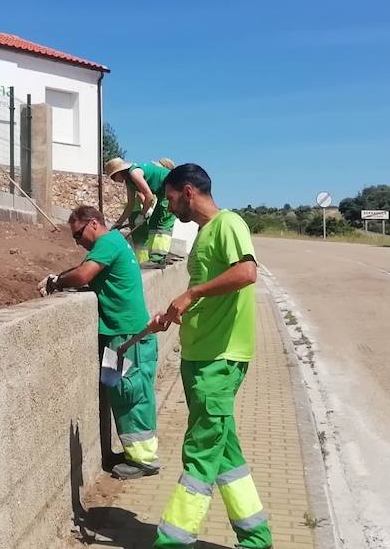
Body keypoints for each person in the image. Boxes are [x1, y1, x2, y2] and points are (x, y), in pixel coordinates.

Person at [147, 163, 272, 548]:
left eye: (169, 199)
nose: (168, 207)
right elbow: (207, 290)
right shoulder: (204, 234)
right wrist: (174, 312)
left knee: (200, 452)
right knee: (224, 451)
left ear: (187, 192)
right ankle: (255, 538)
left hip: (219, 360)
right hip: (201, 358)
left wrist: (192, 294)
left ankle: (173, 541)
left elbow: (247, 272)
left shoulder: (228, 224)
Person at [39, 205, 160, 479]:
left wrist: (57, 282)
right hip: (118, 333)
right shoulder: (112, 244)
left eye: (79, 234)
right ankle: (133, 453)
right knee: (117, 392)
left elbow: (82, 275)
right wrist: (59, 277)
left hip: (127, 336)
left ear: (93, 224)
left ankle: (145, 460)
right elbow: (84, 269)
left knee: (131, 395)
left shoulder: (108, 242)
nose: (78, 241)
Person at [106, 157, 177, 265]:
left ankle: (157, 259)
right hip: (164, 192)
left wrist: (142, 215)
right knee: (154, 222)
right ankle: (155, 259)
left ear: (119, 172)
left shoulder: (134, 173)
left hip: (173, 188)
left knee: (162, 222)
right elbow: (130, 205)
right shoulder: (129, 182)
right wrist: (118, 223)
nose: (113, 180)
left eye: (113, 177)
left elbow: (149, 197)